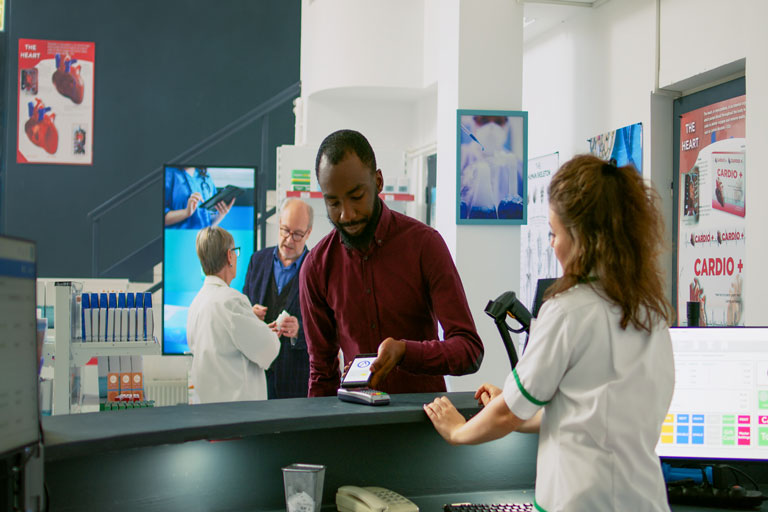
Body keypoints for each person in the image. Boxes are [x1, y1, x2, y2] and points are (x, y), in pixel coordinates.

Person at [424, 155, 675, 511]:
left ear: (584, 238)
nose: (552, 246)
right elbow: (584, 414)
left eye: (554, 234)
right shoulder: (651, 313)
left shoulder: (567, 311)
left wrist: (457, 431)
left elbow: (510, 413)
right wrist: (512, 398)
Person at [299, 129, 484, 397]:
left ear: (378, 181)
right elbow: (322, 374)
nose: (346, 214)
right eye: (333, 202)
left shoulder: (425, 245)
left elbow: (469, 351)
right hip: (355, 426)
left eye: (356, 196)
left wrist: (405, 352)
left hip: (426, 425)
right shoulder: (316, 268)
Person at [187, 226, 280, 403]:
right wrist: (271, 334)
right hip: (237, 412)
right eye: (235, 253)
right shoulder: (232, 301)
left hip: (209, 410)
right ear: (230, 256)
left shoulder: (196, 304)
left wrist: (257, 327)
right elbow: (268, 350)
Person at [242, 198, 313, 399]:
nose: (289, 240)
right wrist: (249, 314)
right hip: (257, 376)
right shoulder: (257, 261)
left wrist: (300, 331)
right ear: (279, 223)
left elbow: (329, 329)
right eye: (284, 230)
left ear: (308, 232)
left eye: (297, 234)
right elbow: (242, 310)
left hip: (295, 382)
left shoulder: (317, 270)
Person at [165, 166, 234, 229]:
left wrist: (220, 214)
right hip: (176, 238)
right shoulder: (168, 173)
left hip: (203, 239)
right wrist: (186, 212)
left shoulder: (205, 176)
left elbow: (208, 223)